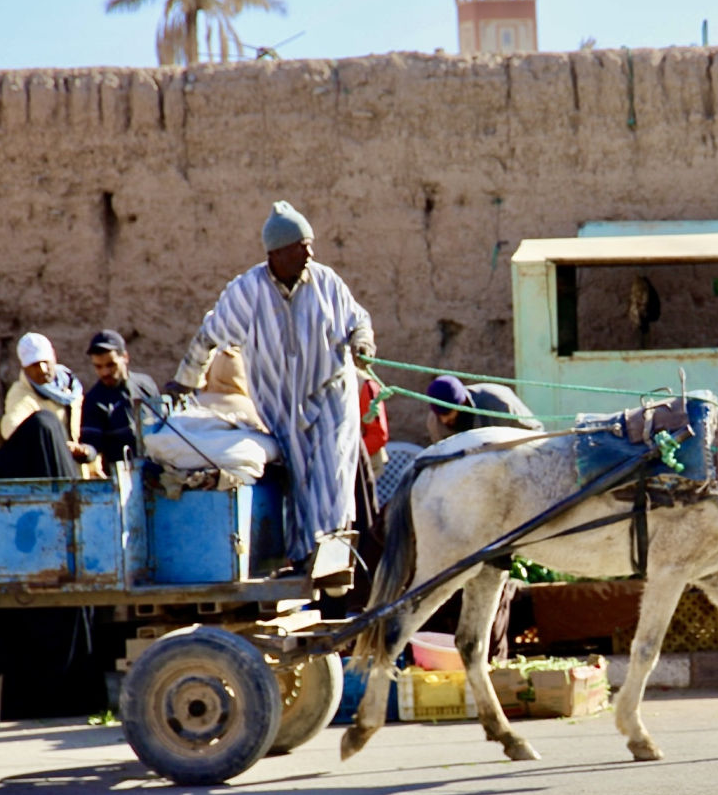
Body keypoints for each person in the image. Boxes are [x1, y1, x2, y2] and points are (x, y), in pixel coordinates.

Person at [167, 200, 376, 564]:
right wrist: (187, 380)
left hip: (330, 397)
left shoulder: (327, 282)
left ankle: (334, 570)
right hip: (279, 404)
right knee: (298, 485)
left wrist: (362, 343)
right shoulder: (247, 292)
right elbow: (209, 335)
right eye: (302, 246)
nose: (310, 252)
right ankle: (303, 562)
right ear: (278, 253)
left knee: (333, 481)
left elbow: (359, 320)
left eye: (310, 244)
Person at [0, 332, 99, 480]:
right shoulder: (21, 394)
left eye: (46, 362)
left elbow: (86, 432)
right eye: (35, 365)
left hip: (80, 473)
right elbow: (12, 429)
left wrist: (86, 453)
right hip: (52, 473)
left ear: (54, 357)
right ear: (25, 369)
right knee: (45, 421)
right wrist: (55, 442)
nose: (43, 369)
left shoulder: (70, 389)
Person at [80, 329, 159, 471]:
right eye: (98, 367)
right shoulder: (94, 400)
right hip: (123, 477)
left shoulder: (146, 385)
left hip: (158, 470)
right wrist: (83, 452)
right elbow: (92, 445)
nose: (105, 372)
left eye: (111, 365)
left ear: (125, 357)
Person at [424, 374, 543, 442]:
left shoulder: (499, 402)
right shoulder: (435, 422)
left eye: (447, 413)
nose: (444, 421)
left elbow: (534, 433)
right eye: (440, 415)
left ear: (462, 403)